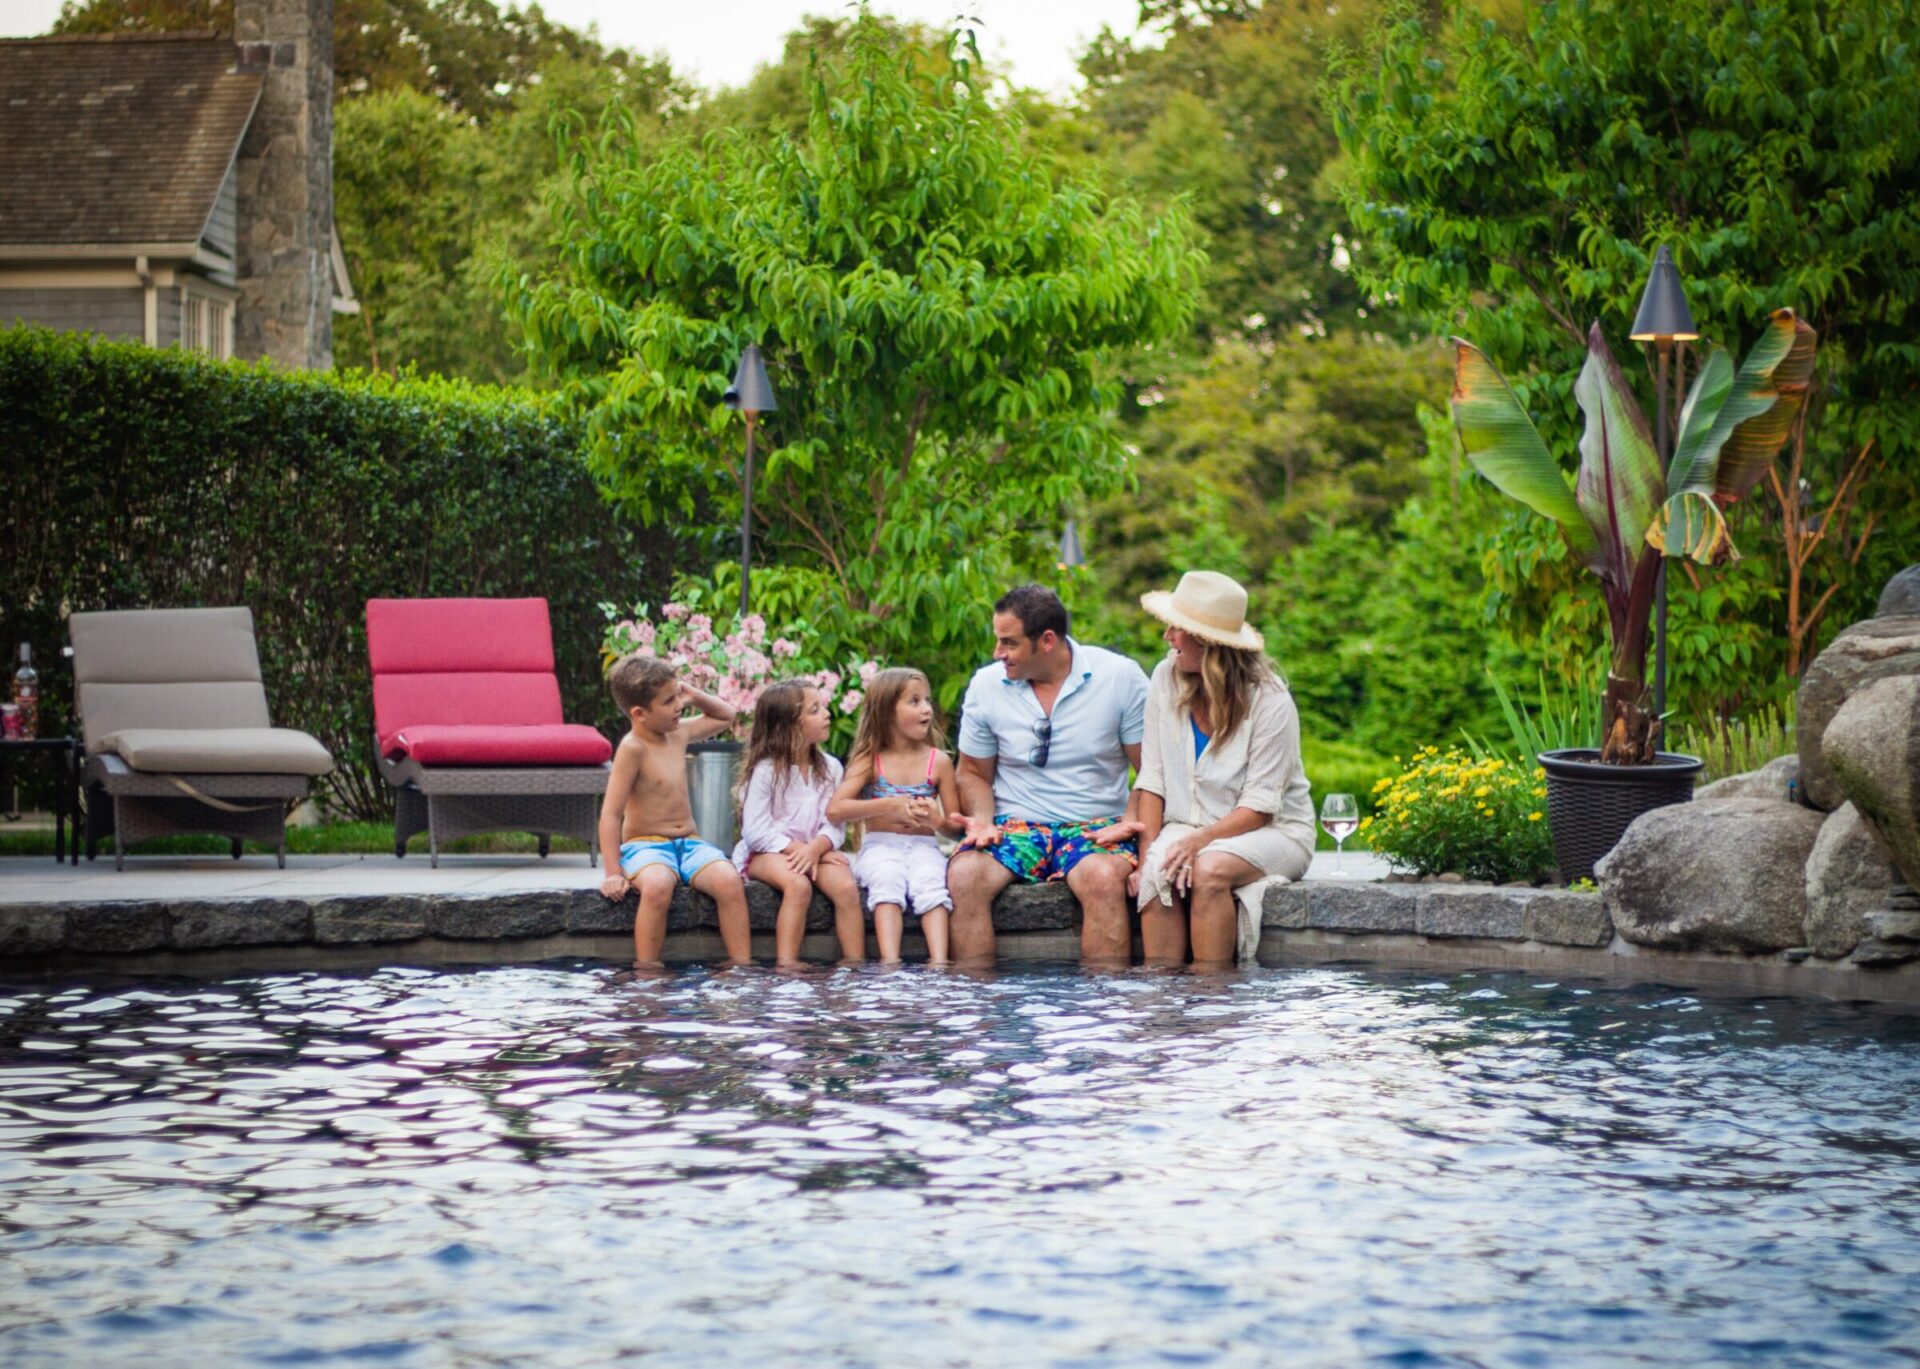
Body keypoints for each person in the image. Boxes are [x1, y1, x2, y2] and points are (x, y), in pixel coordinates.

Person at [1114, 570, 1314, 967]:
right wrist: (1146, 857)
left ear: (1207, 642)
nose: (1167, 637)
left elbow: (1259, 807)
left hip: (1274, 831)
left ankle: (1214, 1003)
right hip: (1187, 825)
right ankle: (1162, 1005)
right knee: (1160, 868)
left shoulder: (1272, 701)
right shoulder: (1164, 677)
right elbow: (1150, 779)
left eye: (1176, 628)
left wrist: (1197, 841)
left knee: (1209, 869)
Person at [948, 584, 1149, 965]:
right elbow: (972, 772)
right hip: (1017, 826)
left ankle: (1106, 1012)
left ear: (1047, 641)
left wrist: (1131, 820)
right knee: (964, 876)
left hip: (1096, 824)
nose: (997, 654)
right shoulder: (986, 685)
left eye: (1008, 643)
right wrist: (982, 822)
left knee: (1103, 879)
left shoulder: (1120, 677)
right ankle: (976, 1011)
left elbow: (1151, 770)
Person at [599, 654, 752, 968]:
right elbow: (611, 814)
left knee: (729, 881)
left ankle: (740, 967)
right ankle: (648, 970)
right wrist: (613, 873)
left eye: (678, 696)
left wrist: (693, 693)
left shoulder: (678, 732)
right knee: (657, 886)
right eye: (669, 701)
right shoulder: (632, 748)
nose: (680, 705)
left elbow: (726, 715)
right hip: (646, 846)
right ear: (639, 714)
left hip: (690, 843)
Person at [828, 667, 966, 964]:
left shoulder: (938, 762)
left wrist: (936, 821)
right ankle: (889, 964)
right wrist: (888, 805)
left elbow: (956, 827)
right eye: (914, 701)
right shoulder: (871, 760)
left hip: (925, 847)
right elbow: (836, 810)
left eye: (927, 700)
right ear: (887, 712)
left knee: (931, 881)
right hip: (880, 845)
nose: (926, 709)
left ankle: (939, 963)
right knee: (887, 879)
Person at [733, 680, 865, 965]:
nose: (827, 714)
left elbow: (835, 821)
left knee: (845, 887)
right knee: (797, 886)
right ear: (790, 725)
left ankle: (855, 964)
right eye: (815, 710)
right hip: (766, 853)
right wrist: (797, 849)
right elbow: (755, 831)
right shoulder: (766, 771)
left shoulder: (831, 768)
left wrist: (817, 847)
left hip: (815, 850)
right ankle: (787, 963)